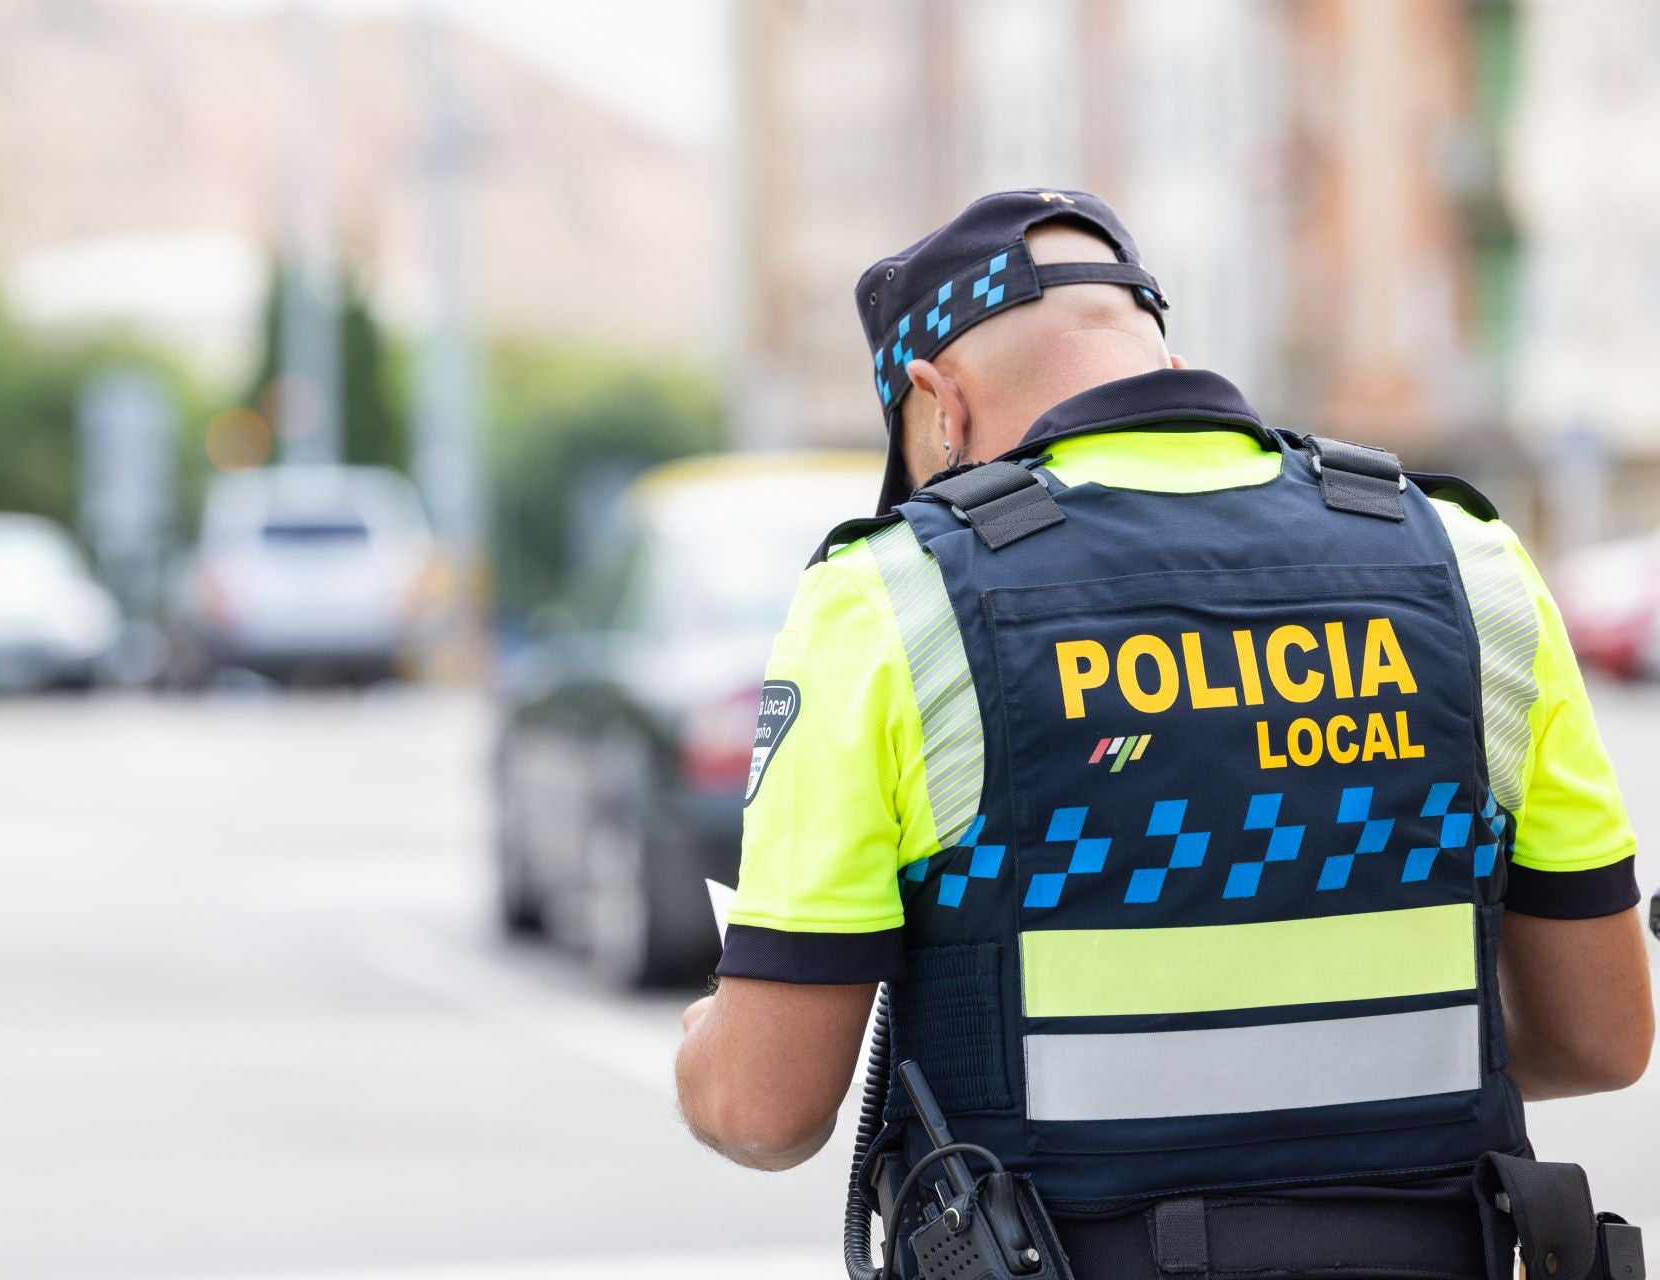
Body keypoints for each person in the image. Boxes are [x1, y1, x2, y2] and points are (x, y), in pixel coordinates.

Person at [674, 189, 1652, 1278]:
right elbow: (1599, 1037)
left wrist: (705, 1046)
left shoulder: (890, 601)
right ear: (1152, 347)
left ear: (936, 404)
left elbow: (765, 1107)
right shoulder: (1471, 564)